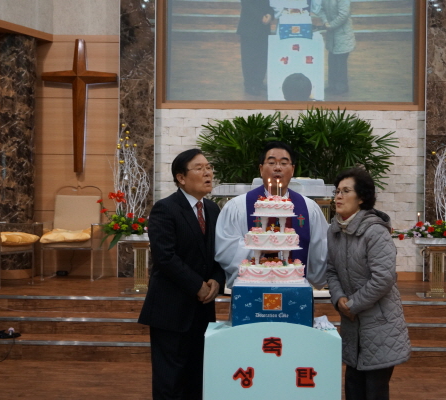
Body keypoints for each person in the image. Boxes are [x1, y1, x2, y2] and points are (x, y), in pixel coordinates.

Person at [138, 149, 225, 400]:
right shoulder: (165, 209)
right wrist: (197, 285)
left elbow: (220, 253)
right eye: (199, 168)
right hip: (171, 309)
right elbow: (165, 257)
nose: (207, 173)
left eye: (209, 167)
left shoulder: (212, 209)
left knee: (198, 377)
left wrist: (217, 280)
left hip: (203, 310)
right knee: (170, 382)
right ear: (181, 178)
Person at [326, 167, 410, 400]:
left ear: (361, 198)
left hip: (380, 325)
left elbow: (383, 278)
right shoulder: (334, 231)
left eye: (346, 191)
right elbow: (331, 271)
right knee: (353, 387)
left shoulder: (375, 232)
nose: (338, 196)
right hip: (352, 325)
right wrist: (339, 298)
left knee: (374, 391)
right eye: (337, 191)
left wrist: (352, 305)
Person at [215, 141, 328, 289]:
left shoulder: (309, 208)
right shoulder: (238, 206)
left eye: (284, 163)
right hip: (251, 289)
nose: (278, 168)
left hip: (295, 290)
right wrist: (261, 247)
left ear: (292, 170)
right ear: (261, 169)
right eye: (272, 162)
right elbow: (226, 247)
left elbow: (320, 250)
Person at [318, 0, 356, 95]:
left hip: (342, 34)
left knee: (340, 63)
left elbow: (343, 15)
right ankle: (332, 85)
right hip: (332, 35)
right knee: (332, 61)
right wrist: (325, 22)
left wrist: (331, 25)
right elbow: (321, 9)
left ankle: (342, 86)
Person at [237, 0, 274, 96]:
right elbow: (246, 4)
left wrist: (270, 14)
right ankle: (249, 85)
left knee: (262, 56)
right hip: (249, 26)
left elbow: (271, 3)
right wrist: (261, 16)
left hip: (264, 27)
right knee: (249, 57)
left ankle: (258, 81)